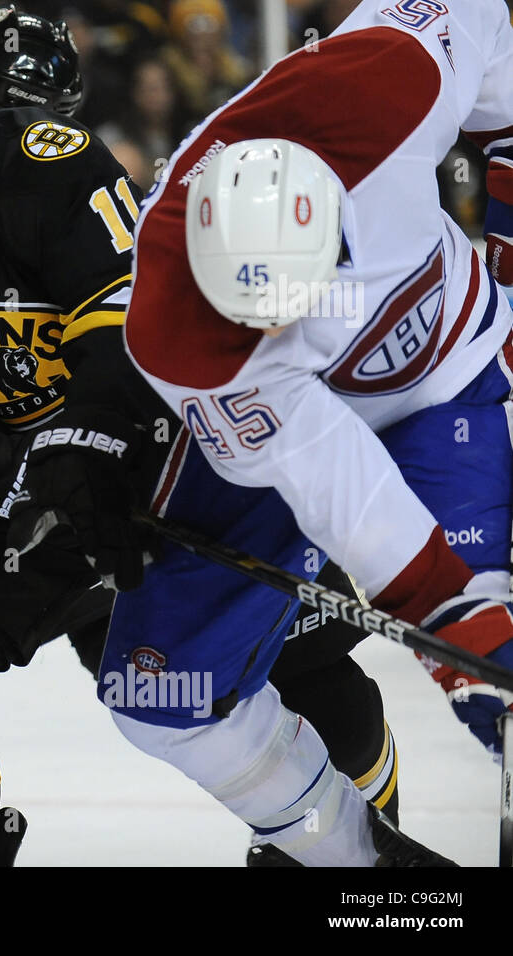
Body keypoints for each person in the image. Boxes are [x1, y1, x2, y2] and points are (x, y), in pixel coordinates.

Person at [0, 29, 434, 867]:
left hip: (167, 463)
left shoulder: (49, 165)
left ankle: (352, 863)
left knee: (315, 671)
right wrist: (14, 484)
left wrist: (84, 453)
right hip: (25, 505)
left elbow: (122, 326)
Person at [67, 0, 513, 865]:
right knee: (153, 691)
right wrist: (448, 613)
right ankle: (364, 866)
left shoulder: (391, 76)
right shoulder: (183, 335)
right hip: (282, 431)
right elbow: (338, 485)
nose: (282, 331)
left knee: (491, 627)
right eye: (256, 317)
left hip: (443, 371)